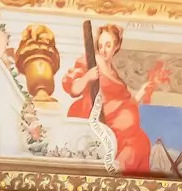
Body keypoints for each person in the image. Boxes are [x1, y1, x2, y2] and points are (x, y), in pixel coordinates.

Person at [61, 24, 167, 175]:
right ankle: (112, 175)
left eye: (108, 45)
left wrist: (141, 93)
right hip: (99, 120)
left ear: (116, 46)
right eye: (101, 45)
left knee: (141, 142)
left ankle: (118, 180)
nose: (104, 50)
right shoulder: (90, 60)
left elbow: (124, 102)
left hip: (119, 125)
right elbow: (73, 89)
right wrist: (87, 76)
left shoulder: (114, 73)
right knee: (135, 143)